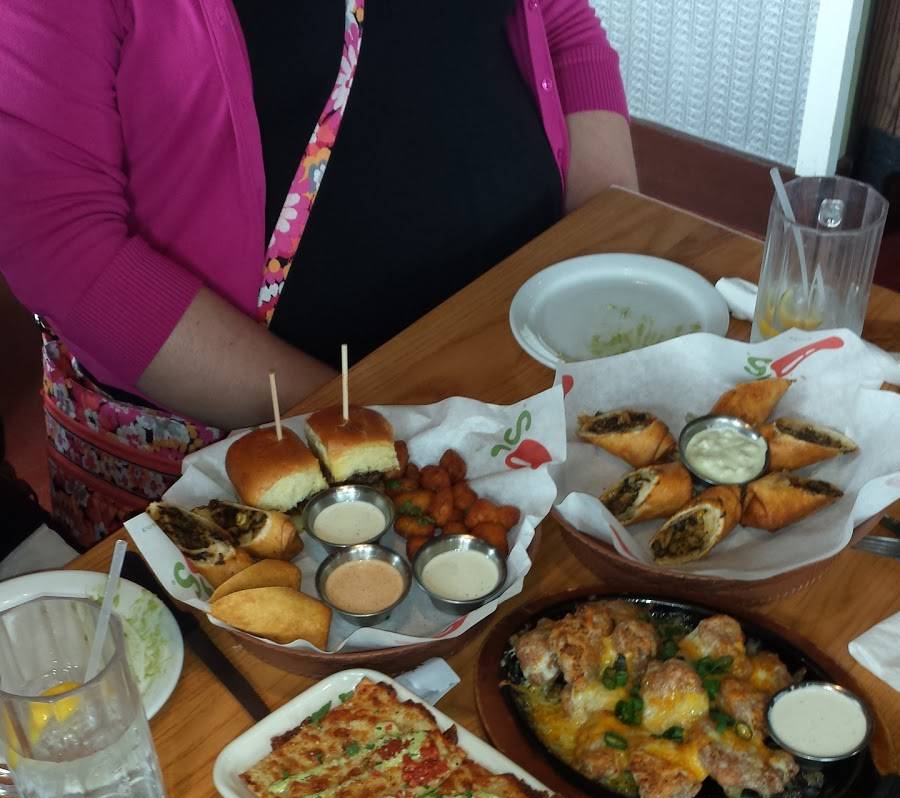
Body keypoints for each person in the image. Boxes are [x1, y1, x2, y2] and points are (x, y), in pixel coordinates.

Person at [0, 2, 636, 545]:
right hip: (271, 441)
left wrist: (610, 264)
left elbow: (561, 25)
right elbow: (64, 241)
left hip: (526, 355)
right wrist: (377, 435)